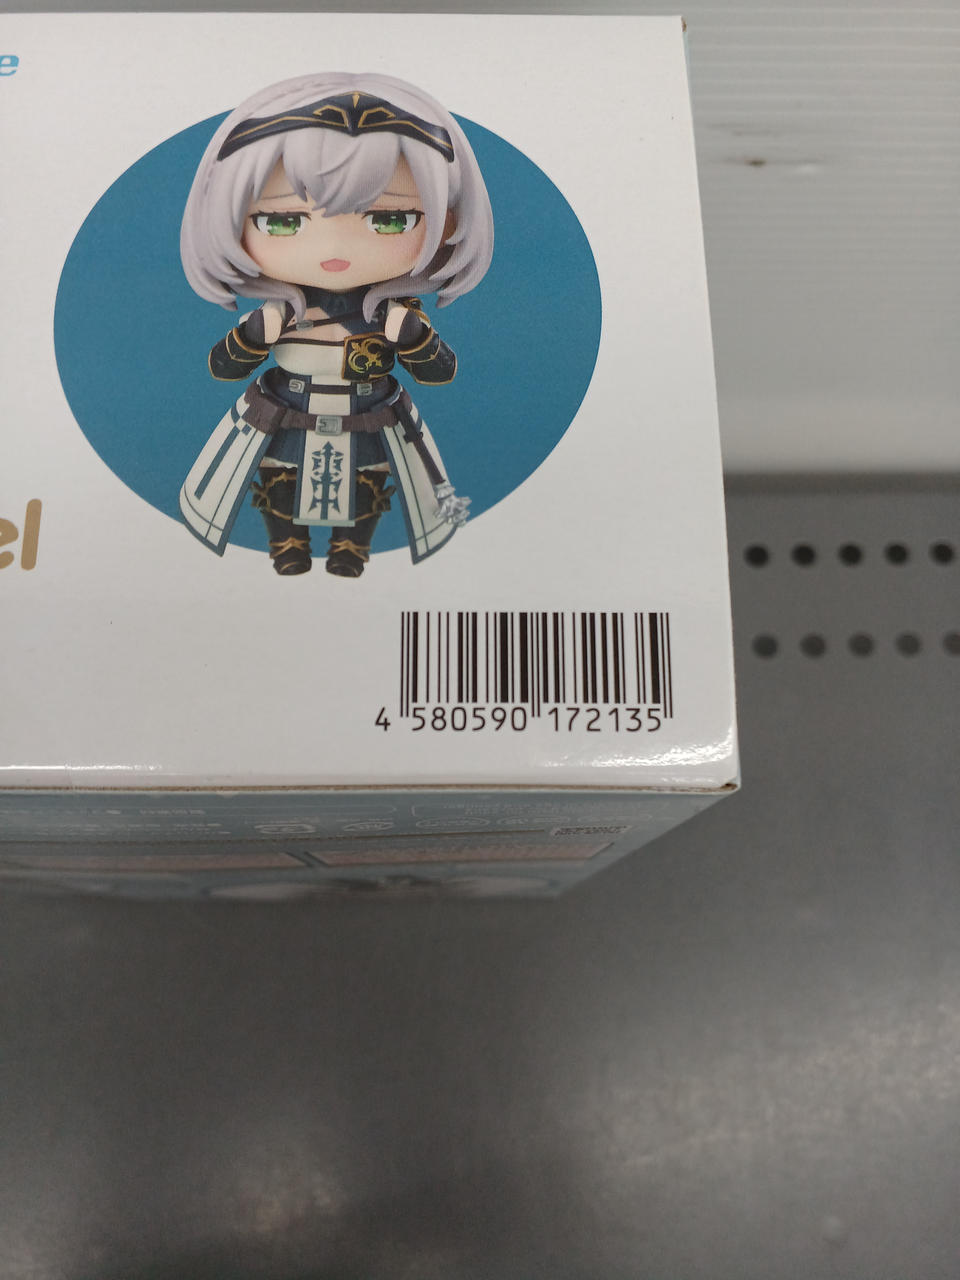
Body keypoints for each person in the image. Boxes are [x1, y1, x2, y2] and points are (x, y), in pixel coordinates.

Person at [178, 71, 494, 576]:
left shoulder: (393, 312)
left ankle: (351, 548)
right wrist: (255, 334)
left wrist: (414, 337)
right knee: (280, 476)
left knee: (367, 482)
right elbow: (223, 366)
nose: (334, 249)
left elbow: (439, 371)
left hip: (367, 405)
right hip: (288, 403)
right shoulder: (282, 310)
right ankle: (288, 545)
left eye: (390, 220)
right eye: (283, 221)